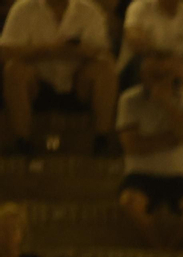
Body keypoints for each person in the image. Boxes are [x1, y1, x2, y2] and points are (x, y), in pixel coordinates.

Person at [116, 52, 183, 249]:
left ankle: (172, 246)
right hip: (140, 174)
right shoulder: (129, 100)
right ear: (143, 75)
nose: (158, 80)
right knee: (130, 202)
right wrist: (173, 139)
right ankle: (157, 245)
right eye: (153, 75)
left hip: (176, 175)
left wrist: (166, 103)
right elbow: (132, 146)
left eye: (163, 75)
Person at [0, 0, 117, 156]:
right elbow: (6, 52)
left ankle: (101, 140)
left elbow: (103, 52)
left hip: (77, 82)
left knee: (105, 69)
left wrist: (79, 50)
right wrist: (48, 49)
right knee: (14, 70)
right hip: (37, 83)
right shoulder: (23, 9)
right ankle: (22, 141)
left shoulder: (89, 10)